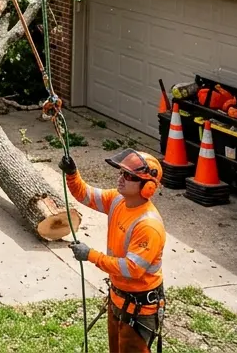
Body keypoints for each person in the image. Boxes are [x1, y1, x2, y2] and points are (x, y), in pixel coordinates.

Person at [60, 148, 167, 353]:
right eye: (121, 173)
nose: (121, 178)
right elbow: (85, 194)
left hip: (139, 309)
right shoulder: (118, 200)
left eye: (129, 176)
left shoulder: (148, 225)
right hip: (119, 298)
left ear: (148, 187)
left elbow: (131, 268)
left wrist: (90, 255)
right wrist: (72, 173)